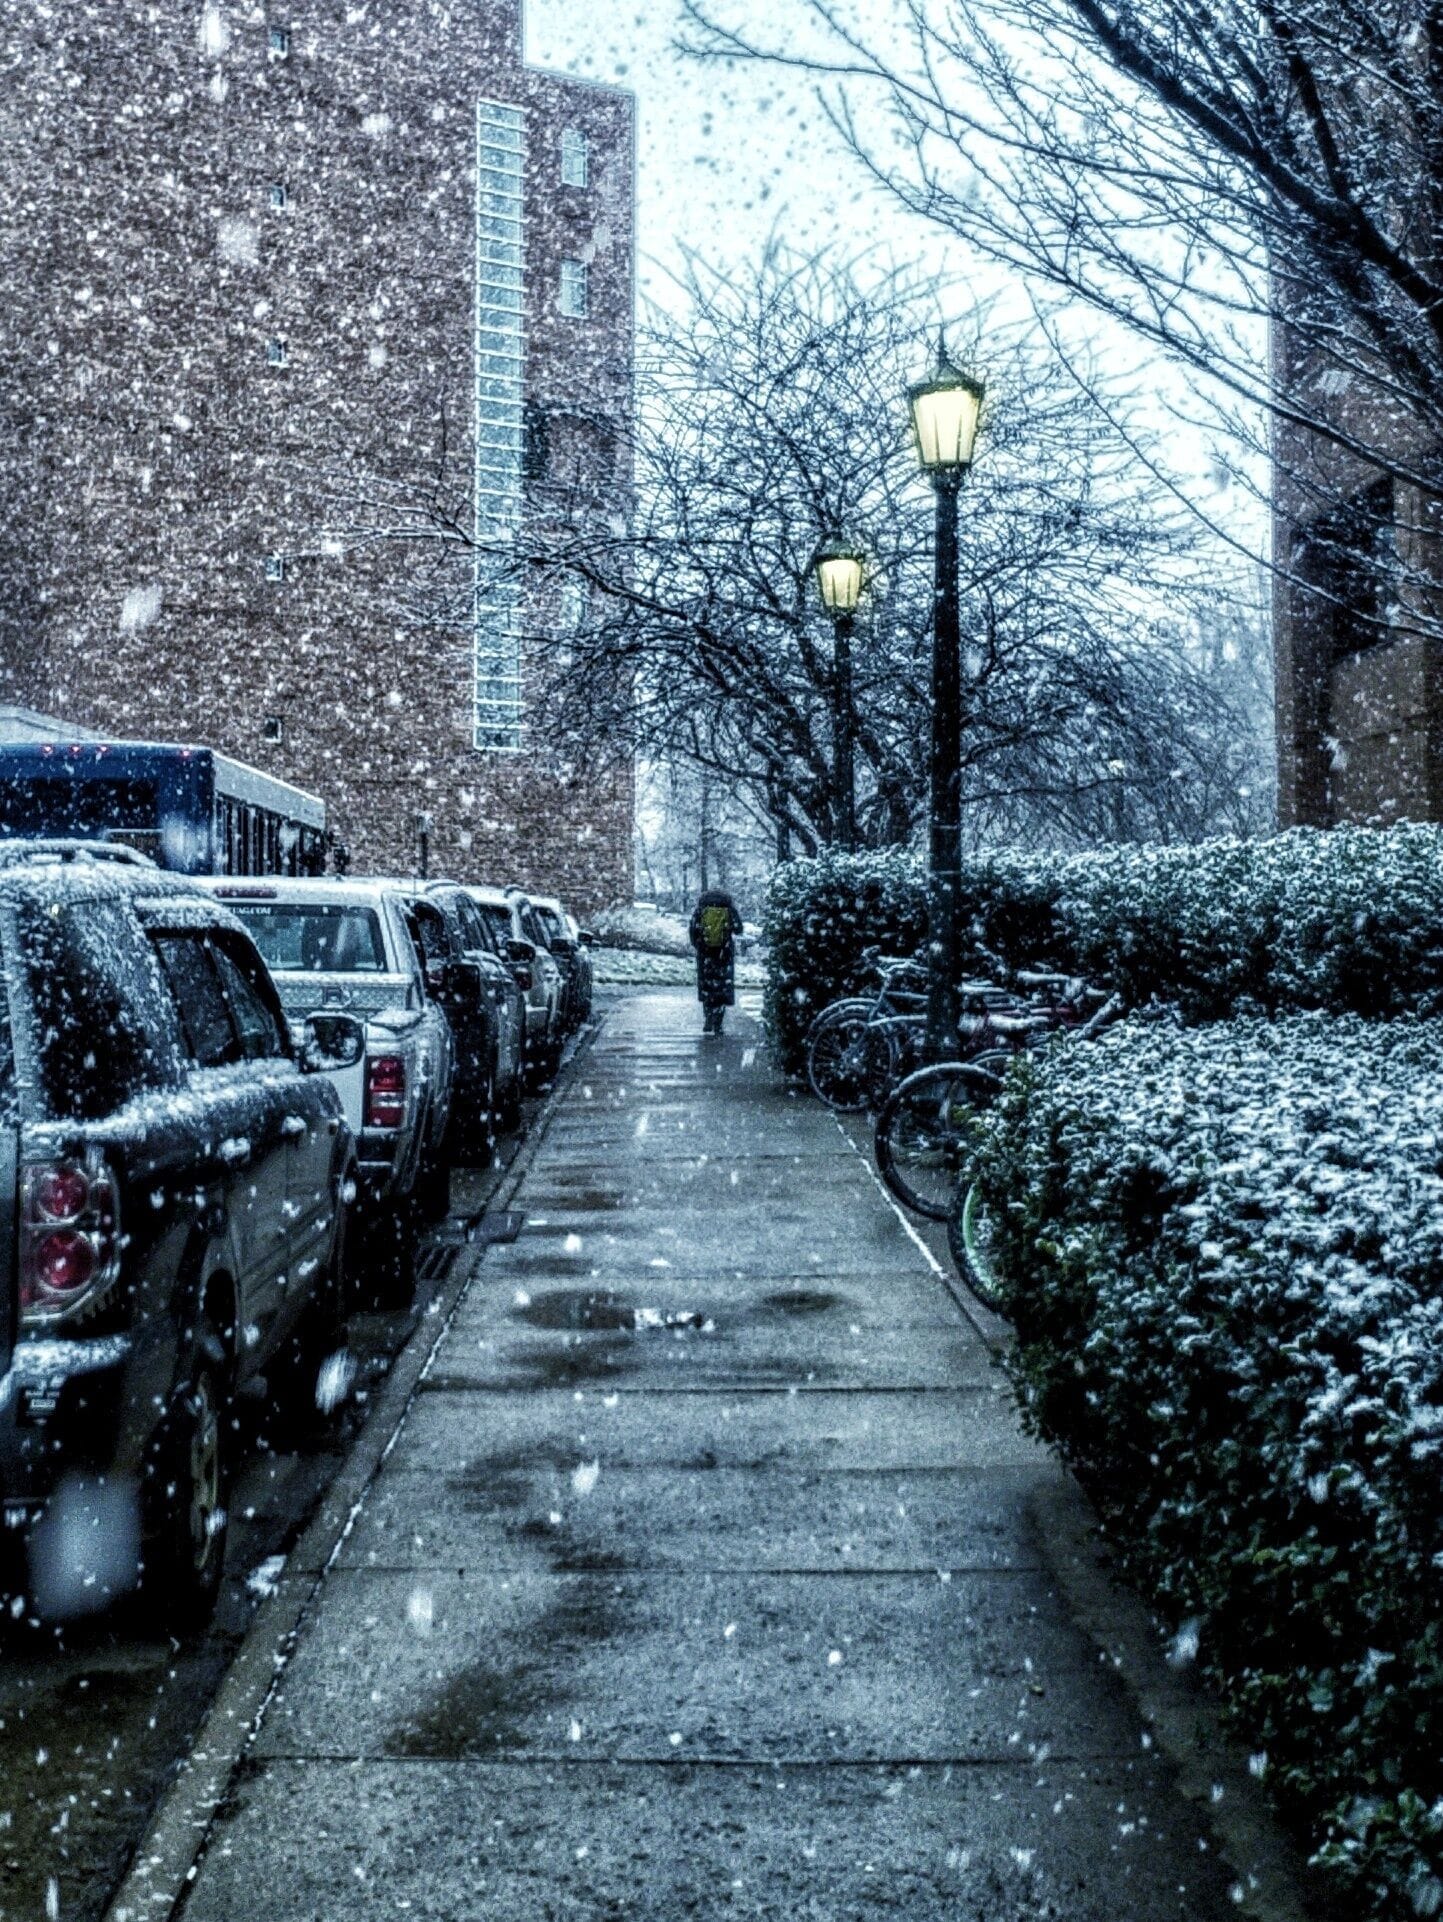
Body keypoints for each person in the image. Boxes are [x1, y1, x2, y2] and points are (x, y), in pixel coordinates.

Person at [689, 887, 743, 1034]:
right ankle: (718, 1024)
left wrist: (700, 945)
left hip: (705, 954)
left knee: (707, 987)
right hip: (724, 955)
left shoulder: (701, 909)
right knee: (721, 988)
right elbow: (739, 929)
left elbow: (692, 931)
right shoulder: (728, 908)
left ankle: (708, 1019)